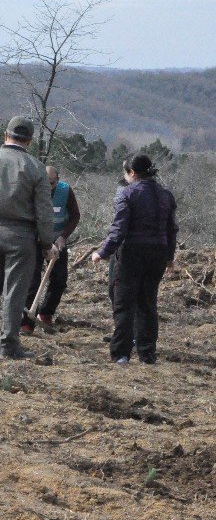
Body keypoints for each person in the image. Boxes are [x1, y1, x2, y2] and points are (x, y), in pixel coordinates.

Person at [0, 117, 57, 359]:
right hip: (22, 236)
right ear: (28, 140)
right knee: (14, 291)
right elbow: (44, 211)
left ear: (5, 135)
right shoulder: (36, 167)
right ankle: (9, 344)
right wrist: (47, 243)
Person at [91, 155, 178, 365]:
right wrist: (169, 256)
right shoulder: (166, 195)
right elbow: (171, 229)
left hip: (131, 253)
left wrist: (102, 252)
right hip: (157, 253)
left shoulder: (127, 194)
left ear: (132, 173)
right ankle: (147, 353)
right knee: (148, 302)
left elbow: (119, 228)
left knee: (124, 302)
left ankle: (121, 353)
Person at [21, 165, 81, 330]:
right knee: (32, 281)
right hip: (34, 240)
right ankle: (26, 322)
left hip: (57, 240)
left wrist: (63, 237)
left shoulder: (66, 191)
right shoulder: (30, 190)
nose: (48, 187)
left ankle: (46, 313)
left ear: (58, 181)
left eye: (52, 183)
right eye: (45, 183)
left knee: (60, 279)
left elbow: (75, 215)